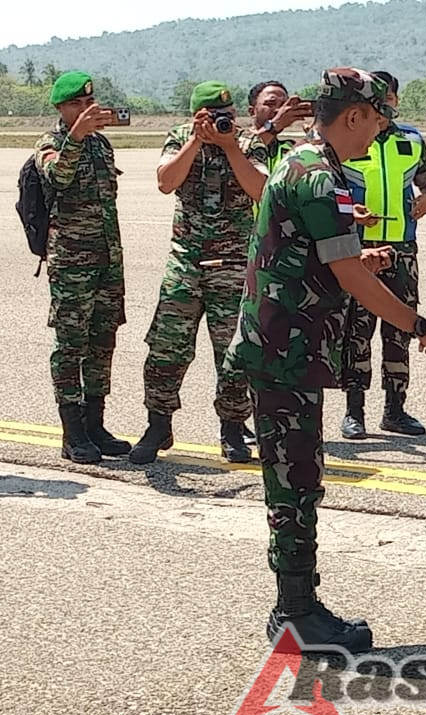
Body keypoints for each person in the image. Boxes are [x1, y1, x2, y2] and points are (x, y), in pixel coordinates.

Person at [224, 67, 426, 648]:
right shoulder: (317, 174)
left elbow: (329, 253)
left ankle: (297, 605)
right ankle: (295, 614)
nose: (378, 134)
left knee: (297, 476)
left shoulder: (307, 162)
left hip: (286, 344)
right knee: (294, 479)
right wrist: (421, 325)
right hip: (285, 350)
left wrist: (361, 259)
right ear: (354, 115)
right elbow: (346, 271)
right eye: (377, 122)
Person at [128, 81, 268, 465]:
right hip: (186, 264)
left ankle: (233, 429)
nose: (224, 121)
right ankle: (158, 424)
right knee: (166, 349)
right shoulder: (178, 139)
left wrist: (229, 147)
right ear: (196, 116)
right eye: (213, 115)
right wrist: (194, 142)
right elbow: (165, 182)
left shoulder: (248, 142)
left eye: (229, 114)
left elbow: (262, 190)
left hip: (234, 264)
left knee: (235, 354)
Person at [34, 70, 132, 464]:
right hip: (72, 262)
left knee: (102, 341)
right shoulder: (51, 143)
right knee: (70, 345)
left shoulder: (101, 145)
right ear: (60, 107)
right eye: (76, 103)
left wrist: (87, 135)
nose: (85, 109)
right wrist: (75, 136)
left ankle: (95, 423)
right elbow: (58, 176)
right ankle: (72, 432)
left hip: (108, 259)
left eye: (88, 103)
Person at [339, 70, 426, 439]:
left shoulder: (411, 140)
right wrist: (351, 210)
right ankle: (355, 412)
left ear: (395, 100)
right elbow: (328, 187)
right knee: (357, 331)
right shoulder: (348, 140)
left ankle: (395, 410)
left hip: (401, 250)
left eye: (389, 97)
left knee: (400, 330)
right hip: (357, 249)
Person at [247, 80, 312, 179]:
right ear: (252, 111)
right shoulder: (232, 139)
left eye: (283, 105)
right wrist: (275, 125)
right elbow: (244, 150)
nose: (279, 110)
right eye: (270, 103)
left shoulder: (290, 149)